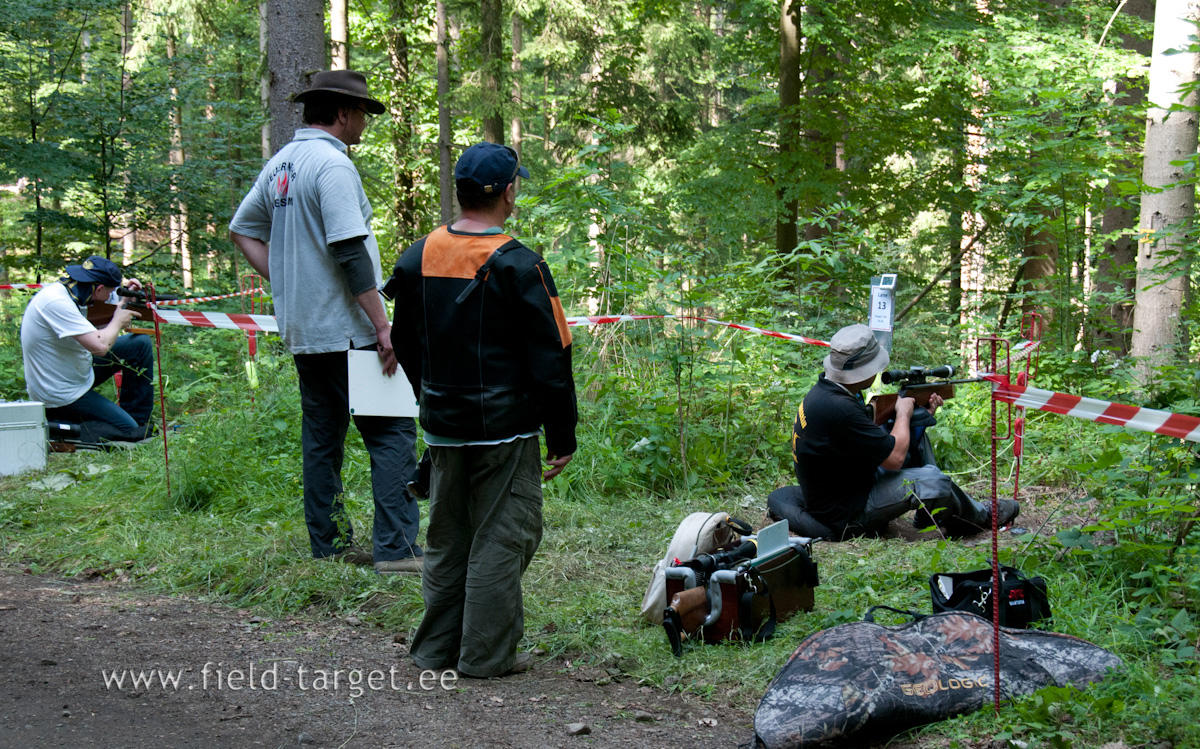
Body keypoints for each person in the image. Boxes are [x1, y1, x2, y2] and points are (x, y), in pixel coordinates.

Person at [386, 142, 578, 678]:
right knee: (503, 535)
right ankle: (486, 657)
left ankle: (434, 650)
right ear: (509, 192)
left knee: (447, 538)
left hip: (443, 428)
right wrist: (562, 434)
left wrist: (430, 398)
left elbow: (402, 342)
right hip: (506, 431)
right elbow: (552, 358)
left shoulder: (417, 255)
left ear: (460, 191)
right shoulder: (522, 265)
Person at [229, 70, 423, 573]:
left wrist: (288, 278)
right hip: (350, 329)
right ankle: (398, 551)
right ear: (341, 113)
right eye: (361, 113)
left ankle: (330, 547)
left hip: (304, 329)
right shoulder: (333, 165)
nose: (364, 122)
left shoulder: (281, 164)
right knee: (392, 433)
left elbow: (242, 229)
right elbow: (349, 249)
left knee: (321, 439)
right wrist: (383, 325)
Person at [768, 323, 1018, 540]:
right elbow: (894, 459)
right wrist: (904, 413)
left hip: (843, 490)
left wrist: (916, 415)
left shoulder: (826, 392)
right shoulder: (840, 408)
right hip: (848, 513)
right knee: (934, 479)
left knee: (913, 434)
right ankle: (982, 517)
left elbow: (863, 435)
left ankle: (929, 514)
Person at [21, 255, 155, 445]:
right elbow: (100, 346)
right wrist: (118, 320)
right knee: (126, 429)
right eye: (110, 292)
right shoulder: (57, 302)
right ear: (98, 289)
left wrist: (124, 300)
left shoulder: (75, 291)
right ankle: (59, 423)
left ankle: (139, 423)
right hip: (60, 393)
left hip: (72, 370)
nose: (110, 296)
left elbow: (100, 326)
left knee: (139, 344)